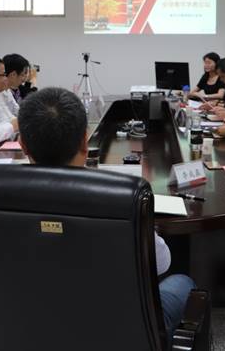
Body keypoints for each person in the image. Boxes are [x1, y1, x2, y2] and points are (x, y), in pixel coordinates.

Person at [17, 87, 195, 336]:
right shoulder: (123, 197)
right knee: (183, 282)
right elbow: (161, 262)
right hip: (117, 329)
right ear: (84, 142)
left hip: (25, 325)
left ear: (23, 145)